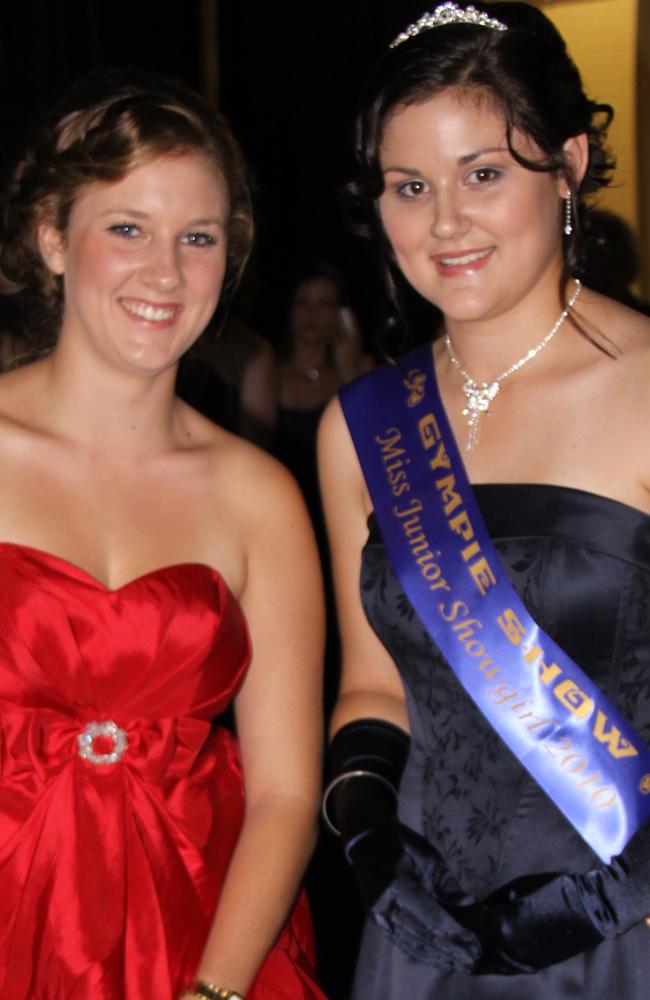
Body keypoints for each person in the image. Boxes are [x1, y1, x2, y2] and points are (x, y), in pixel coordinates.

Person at [318, 3, 650, 999]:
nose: (445, 224)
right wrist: (369, 835)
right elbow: (371, 686)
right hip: (426, 937)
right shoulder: (360, 425)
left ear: (570, 165)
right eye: (408, 186)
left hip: (623, 924)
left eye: (483, 174)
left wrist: (612, 897)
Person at [0, 70, 326, 1000]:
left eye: (198, 238)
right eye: (128, 229)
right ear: (52, 238)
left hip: (198, 939)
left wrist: (214, 992)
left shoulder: (260, 495)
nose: (166, 273)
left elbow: (285, 795)